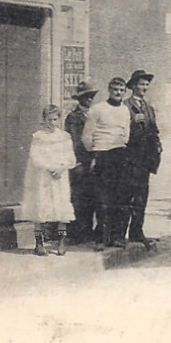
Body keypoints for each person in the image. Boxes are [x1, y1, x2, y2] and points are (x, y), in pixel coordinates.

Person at [82, 76, 131, 250]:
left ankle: (117, 236)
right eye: (115, 89)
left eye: (121, 90)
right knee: (103, 198)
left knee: (120, 197)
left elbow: (126, 132)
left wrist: (120, 146)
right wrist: (95, 154)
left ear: (124, 92)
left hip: (120, 153)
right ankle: (101, 238)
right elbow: (87, 135)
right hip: (102, 154)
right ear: (109, 90)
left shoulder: (125, 110)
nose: (118, 93)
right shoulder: (98, 109)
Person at [21, 105, 76, 256]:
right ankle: (39, 244)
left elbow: (71, 158)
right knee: (42, 207)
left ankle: (61, 242)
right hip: (43, 176)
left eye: (55, 119)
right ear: (44, 119)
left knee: (61, 207)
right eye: (49, 119)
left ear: (59, 119)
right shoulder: (38, 137)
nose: (52, 122)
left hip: (60, 176)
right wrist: (49, 167)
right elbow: (35, 157)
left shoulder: (65, 137)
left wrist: (61, 167)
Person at [124, 70, 162, 248]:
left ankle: (137, 232)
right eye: (141, 84)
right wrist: (133, 123)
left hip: (145, 160)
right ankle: (120, 234)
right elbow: (122, 132)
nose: (144, 87)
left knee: (142, 197)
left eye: (146, 84)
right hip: (130, 159)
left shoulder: (149, 107)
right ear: (132, 86)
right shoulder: (125, 106)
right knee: (128, 196)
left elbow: (153, 131)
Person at [64, 79, 100, 244]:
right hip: (80, 163)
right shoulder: (74, 117)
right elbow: (75, 141)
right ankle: (77, 233)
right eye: (86, 96)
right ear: (80, 99)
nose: (89, 99)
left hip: (93, 162)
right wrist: (82, 160)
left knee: (93, 198)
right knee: (79, 199)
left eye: (91, 96)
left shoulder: (95, 115)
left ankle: (89, 231)